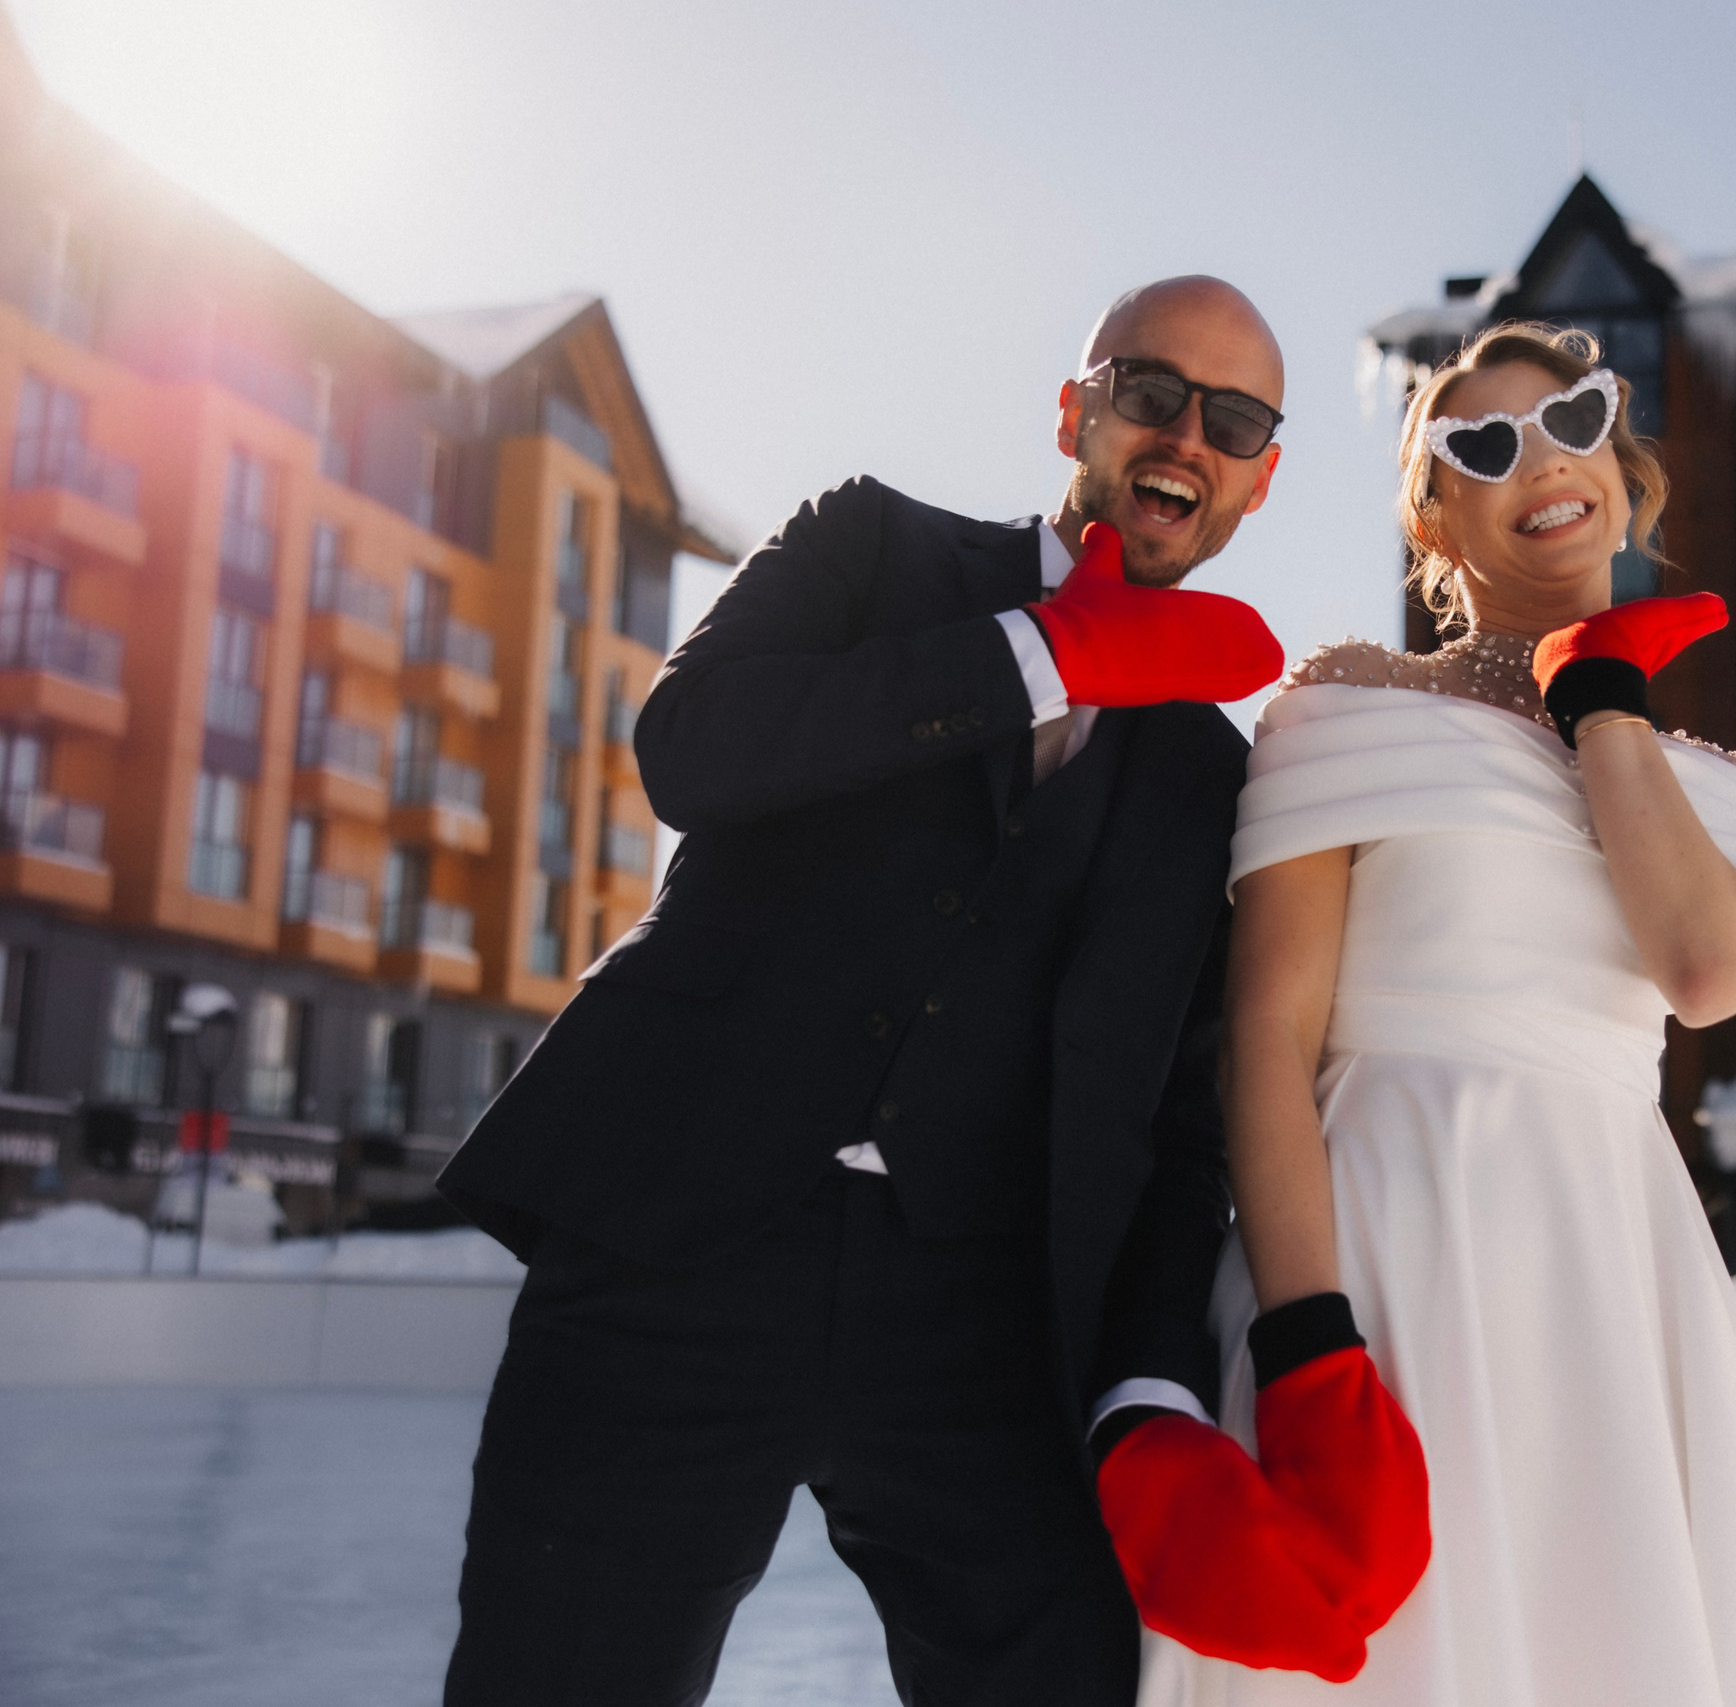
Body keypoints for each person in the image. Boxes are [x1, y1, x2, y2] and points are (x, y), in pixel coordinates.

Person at [437, 275, 1298, 1707]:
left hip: (985, 1318)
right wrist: (1037, 655)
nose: (1184, 436)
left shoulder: (1218, 776)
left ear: (1261, 478)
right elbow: (689, 749)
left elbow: (1178, 1122)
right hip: (679, 1244)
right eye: (1149, 391)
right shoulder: (872, 549)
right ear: (1076, 409)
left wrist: (1148, 1388)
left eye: (1234, 418)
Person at [1132, 322, 1736, 1706]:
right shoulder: (1349, 709)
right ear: (1433, 512)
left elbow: (1704, 973)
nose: (1539, 463)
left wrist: (1599, 695)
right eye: (1481, 446)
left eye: (1572, 423)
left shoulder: (1717, 790)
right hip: (1380, 1260)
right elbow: (1266, 1040)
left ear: (1621, 465)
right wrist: (1309, 1343)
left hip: (1611, 1284)